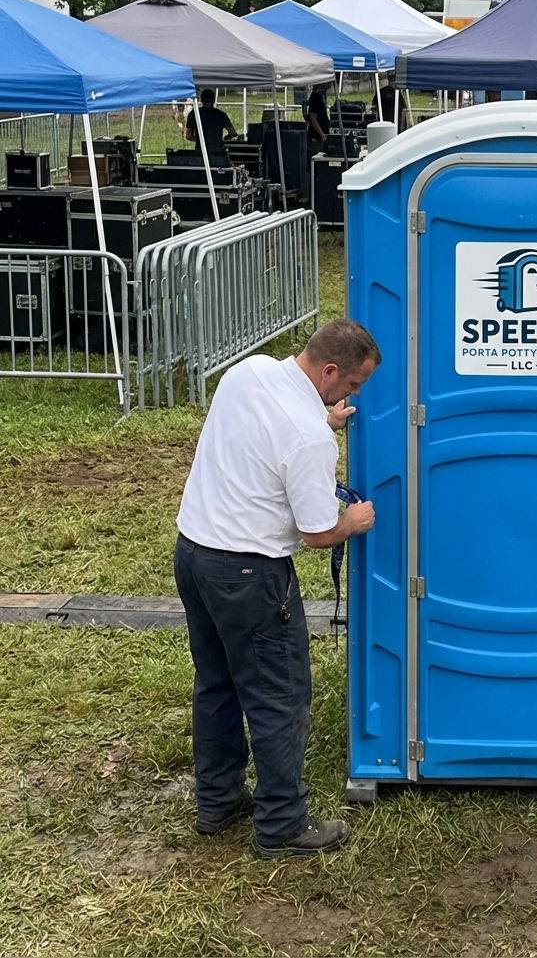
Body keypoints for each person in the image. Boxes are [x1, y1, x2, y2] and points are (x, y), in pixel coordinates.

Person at [174, 320, 380, 859]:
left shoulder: (249, 372)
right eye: (352, 386)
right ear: (331, 371)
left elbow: (277, 426)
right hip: (250, 574)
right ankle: (283, 824)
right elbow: (317, 534)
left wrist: (323, 416)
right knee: (278, 698)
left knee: (217, 683)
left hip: (194, 553)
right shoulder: (309, 438)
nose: (352, 396)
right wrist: (352, 523)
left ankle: (217, 802)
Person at [185, 89, 236, 160]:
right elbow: (233, 133)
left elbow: (188, 136)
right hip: (218, 154)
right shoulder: (221, 114)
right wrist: (224, 139)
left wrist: (202, 140)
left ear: (201, 99)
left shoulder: (193, 114)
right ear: (214, 100)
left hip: (200, 153)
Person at [305, 82, 331, 148]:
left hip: (320, 136)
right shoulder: (315, 98)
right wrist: (322, 135)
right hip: (316, 137)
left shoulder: (319, 97)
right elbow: (313, 118)